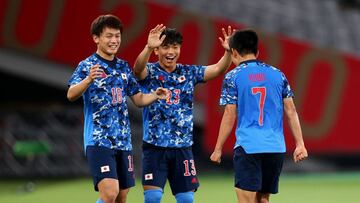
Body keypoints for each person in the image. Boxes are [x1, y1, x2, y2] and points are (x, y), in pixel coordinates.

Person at [67, 14, 167, 203]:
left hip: (123, 142)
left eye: (117, 36)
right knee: (109, 193)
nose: (114, 40)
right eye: (109, 36)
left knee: (121, 196)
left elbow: (138, 99)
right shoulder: (87, 65)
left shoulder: (123, 67)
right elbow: (71, 94)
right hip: (99, 141)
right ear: (96, 38)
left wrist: (155, 95)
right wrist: (88, 80)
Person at [133, 24, 233, 203]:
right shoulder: (151, 71)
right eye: (165, 47)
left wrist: (227, 53)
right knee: (153, 198)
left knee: (187, 199)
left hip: (183, 148)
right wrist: (148, 47)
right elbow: (138, 70)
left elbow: (218, 69)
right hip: (155, 147)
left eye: (175, 47)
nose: (171, 51)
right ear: (157, 50)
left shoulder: (189, 72)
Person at [210, 29, 308, 203]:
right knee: (263, 199)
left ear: (233, 52)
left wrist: (218, 148)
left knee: (246, 200)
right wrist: (300, 144)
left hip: (249, 146)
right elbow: (291, 111)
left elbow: (229, 114)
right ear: (257, 52)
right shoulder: (278, 75)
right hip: (275, 147)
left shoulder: (233, 77)